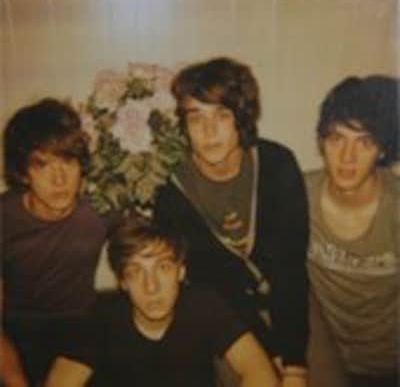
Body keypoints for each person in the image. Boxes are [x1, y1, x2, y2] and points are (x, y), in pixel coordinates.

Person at [154, 57, 310, 386]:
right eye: (196, 118)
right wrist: (268, 355)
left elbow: (291, 268)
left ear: (242, 118)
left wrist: (294, 363)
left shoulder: (276, 164)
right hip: (225, 313)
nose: (209, 131)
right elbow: (213, 285)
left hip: (292, 306)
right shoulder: (172, 191)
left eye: (222, 115)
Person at [45, 217, 280, 387]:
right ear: (122, 281)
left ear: (181, 271)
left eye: (163, 268)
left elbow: (258, 370)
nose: (151, 286)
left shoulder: (204, 304)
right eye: (136, 272)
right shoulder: (102, 318)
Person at [0, 98, 120, 387]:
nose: (59, 179)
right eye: (42, 165)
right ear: (23, 172)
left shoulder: (101, 208)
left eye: (67, 161)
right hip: (18, 332)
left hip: (81, 331)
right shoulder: (4, 218)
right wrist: (16, 382)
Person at [306, 76, 399, 387]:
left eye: (364, 142)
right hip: (324, 363)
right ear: (321, 142)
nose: (348, 157)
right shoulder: (297, 195)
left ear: (382, 149)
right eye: (337, 139)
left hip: (389, 366)